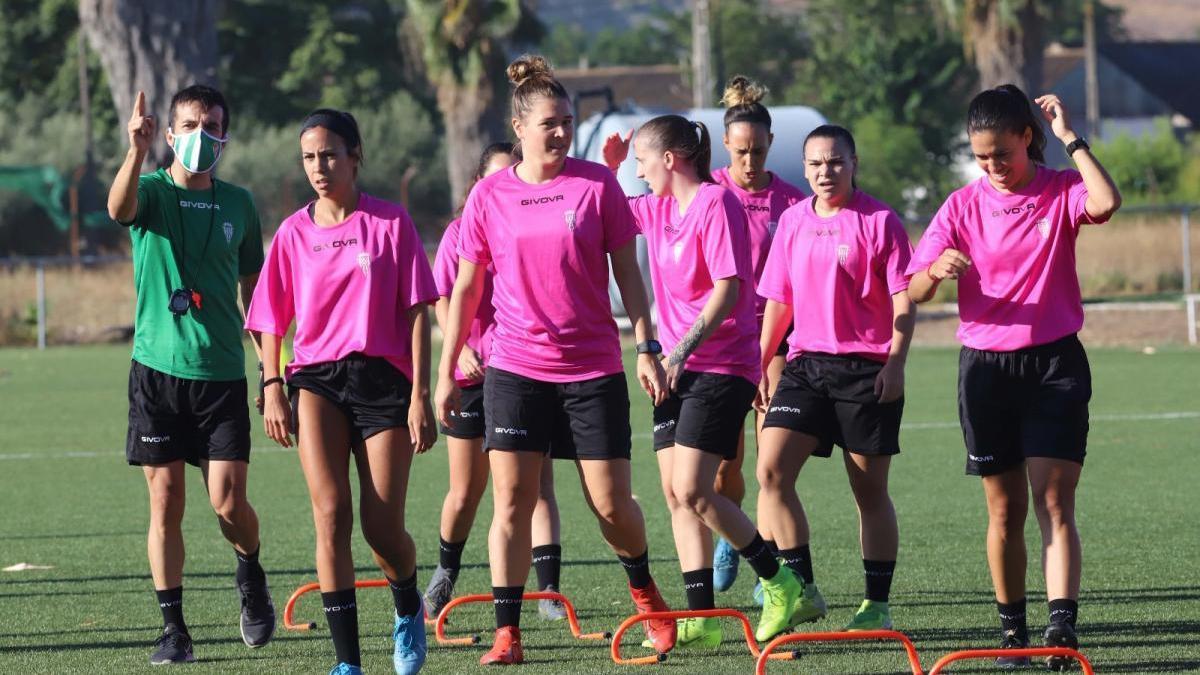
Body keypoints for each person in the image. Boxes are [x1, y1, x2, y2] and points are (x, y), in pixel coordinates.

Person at [434, 55, 676, 666]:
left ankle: (645, 591)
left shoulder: (596, 185)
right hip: (515, 370)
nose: (562, 132)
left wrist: (646, 345)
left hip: (593, 368)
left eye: (567, 121)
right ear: (519, 127)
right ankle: (507, 632)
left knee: (611, 504)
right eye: (549, 122)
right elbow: (464, 290)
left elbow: (631, 276)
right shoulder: (488, 196)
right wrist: (444, 371)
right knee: (510, 502)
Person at [906, 85, 1120, 671]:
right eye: (981, 156)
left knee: (1055, 502)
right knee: (1004, 512)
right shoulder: (960, 206)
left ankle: (1061, 628)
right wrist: (934, 270)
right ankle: (1013, 633)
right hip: (986, 371)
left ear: (1029, 137)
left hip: (1054, 365)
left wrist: (1071, 137)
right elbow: (915, 290)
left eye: (1003, 152)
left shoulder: (1059, 191)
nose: (993, 166)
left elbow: (1106, 201)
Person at [604, 113, 809, 648]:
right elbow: (609, 215)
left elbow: (728, 291)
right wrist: (608, 169)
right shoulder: (658, 207)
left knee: (695, 488)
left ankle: (781, 580)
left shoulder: (717, 203)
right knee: (676, 494)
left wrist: (678, 353)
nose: (641, 173)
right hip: (678, 369)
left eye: (644, 163)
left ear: (670, 160)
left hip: (721, 367)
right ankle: (704, 617)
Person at [246, 109, 438, 675]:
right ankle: (347, 663)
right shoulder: (292, 233)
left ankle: (407, 605)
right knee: (330, 514)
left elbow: (419, 313)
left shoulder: (391, 223)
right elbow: (268, 320)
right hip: (317, 382)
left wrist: (420, 395)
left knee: (382, 529)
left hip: (384, 381)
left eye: (330, 154)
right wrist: (273, 384)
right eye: (308, 157)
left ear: (357, 156)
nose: (319, 167)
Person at [107, 84, 275, 665]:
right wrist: (135, 151)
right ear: (170, 132)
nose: (201, 136)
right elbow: (117, 210)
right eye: (190, 125)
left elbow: (256, 293)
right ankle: (173, 627)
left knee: (229, 504)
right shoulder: (151, 191)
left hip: (222, 373)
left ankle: (250, 571)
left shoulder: (240, 204)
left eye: (212, 126)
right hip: (157, 372)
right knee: (165, 502)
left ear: (225, 135)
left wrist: (268, 372)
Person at [754, 124, 915, 632]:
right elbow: (779, 299)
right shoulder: (793, 220)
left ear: (853, 163)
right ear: (803, 169)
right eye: (817, 163)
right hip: (805, 366)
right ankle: (800, 589)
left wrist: (895, 363)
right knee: (771, 473)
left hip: (867, 371)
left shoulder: (880, 221)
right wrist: (759, 362)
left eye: (836, 162)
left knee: (868, 493)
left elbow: (903, 301)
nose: (826, 172)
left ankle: (876, 606)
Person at [426, 142, 569, 623]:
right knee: (466, 491)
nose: (508, 182)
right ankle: (445, 572)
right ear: (478, 185)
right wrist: (459, 346)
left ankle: (548, 589)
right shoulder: (459, 231)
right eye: (496, 176)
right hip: (473, 374)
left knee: (538, 487)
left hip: (525, 372)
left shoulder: (531, 225)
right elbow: (443, 296)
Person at [710, 76, 808, 599]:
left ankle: (769, 571)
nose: (751, 161)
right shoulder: (710, 194)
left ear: (772, 147)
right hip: (725, 340)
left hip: (777, 337)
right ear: (727, 145)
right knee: (727, 466)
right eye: (742, 151)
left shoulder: (792, 202)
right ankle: (732, 533)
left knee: (772, 461)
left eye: (760, 151)